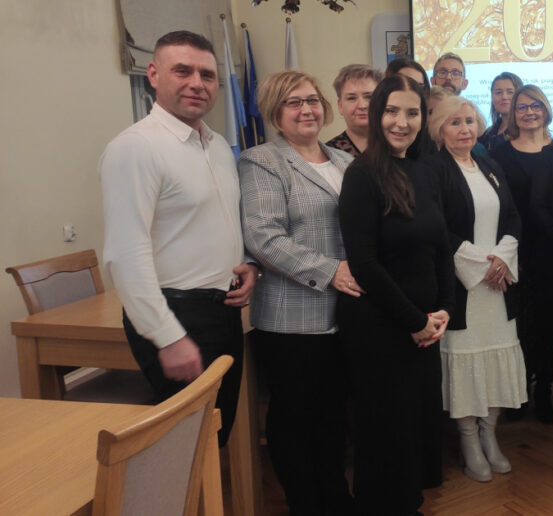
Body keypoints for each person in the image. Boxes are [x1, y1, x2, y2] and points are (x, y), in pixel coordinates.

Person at [99, 30, 254, 447]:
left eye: (207, 74)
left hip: (221, 310)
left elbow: (212, 223)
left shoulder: (216, 146)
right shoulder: (136, 148)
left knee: (213, 438)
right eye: (182, 71)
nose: (197, 83)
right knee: (182, 449)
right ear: (153, 74)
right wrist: (167, 336)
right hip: (177, 314)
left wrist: (245, 266)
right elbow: (125, 255)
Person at [238, 70, 358, 514]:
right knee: (295, 420)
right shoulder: (261, 161)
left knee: (333, 415)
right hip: (292, 318)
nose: (307, 110)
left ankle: (336, 498)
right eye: (294, 102)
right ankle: (305, 504)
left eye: (312, 100)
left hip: (348, 313)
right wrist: (331, 271)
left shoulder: (344, 161)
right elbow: (264, 237)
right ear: (275, 112)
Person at [336, 74, 454, 515]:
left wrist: (443, 310)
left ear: (423, 119)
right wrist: (415, 321)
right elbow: (364, 263)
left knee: (415, 426)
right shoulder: (361, 176)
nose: (401, 122)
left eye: (412, 112)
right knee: (386, 431)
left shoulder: (425, 171)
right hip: (381, 326)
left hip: (424, 325)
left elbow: (441, 246)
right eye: (391, 111)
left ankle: (408, 503)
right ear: (376, 115)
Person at [426, 95, 528, 482]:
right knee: (466, 365)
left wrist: (502, 259)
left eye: (470, 120)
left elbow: (513, 216)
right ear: (439, 129)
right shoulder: (433, 170)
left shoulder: (489, 165)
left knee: (495, 362)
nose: (464, 128)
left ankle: (490, 434)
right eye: (455, 122)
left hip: (498, 286)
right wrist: (484, 266)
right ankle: (469, 439)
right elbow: (437, 228)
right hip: (463, 288)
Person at [489, 85, 553, 427]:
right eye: (522, 107)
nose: (530, 112)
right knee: (519, 326)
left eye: (536, 105)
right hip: (515, 250)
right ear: (512, 114)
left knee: (548, 325)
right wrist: (507, 251)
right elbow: (500, 208)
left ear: (546, 110)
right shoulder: (500, 154)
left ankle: (544, 391)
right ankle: (519, 391)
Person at [326, 64, 383, 156]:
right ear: (340, 106)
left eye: (369, 97)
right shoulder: (328, 154)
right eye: (352, 98)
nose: (362, 106)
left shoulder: (398, 145)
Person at [479, 72, 524, 151]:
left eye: (510, 92)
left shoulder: (526, 131)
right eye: (498, 92)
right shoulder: (486, 134)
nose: (504, 97)